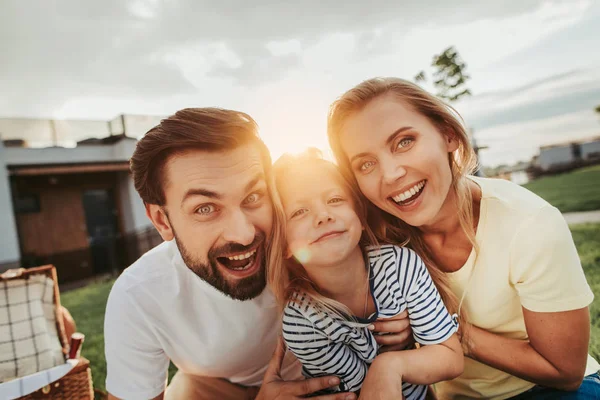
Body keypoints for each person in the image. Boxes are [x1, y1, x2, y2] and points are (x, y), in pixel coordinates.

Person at [104, 107, 407, 400]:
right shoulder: (139, 296)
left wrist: (394, 325)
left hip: (326, 374)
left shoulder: (310, 239)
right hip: (215, 387)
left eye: (252, 196)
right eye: (205, 208)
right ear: (161, 220)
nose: (244, 234)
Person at [326, 77, 600, 399]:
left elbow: (564, 371)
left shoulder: (529, 223)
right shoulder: (375, 242)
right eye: (366, 164)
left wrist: (439, 323)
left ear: (449, 135)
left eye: (404, 142)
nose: (391, 174)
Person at [268, 150, 464, 399]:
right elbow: (361, 394)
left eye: (335, 199)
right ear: (283, 244)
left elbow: (450, 356)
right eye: (299, 212)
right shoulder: (301, 321)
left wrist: (390, 365)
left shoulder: (399, 266)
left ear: (360, 217)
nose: (323, 215)